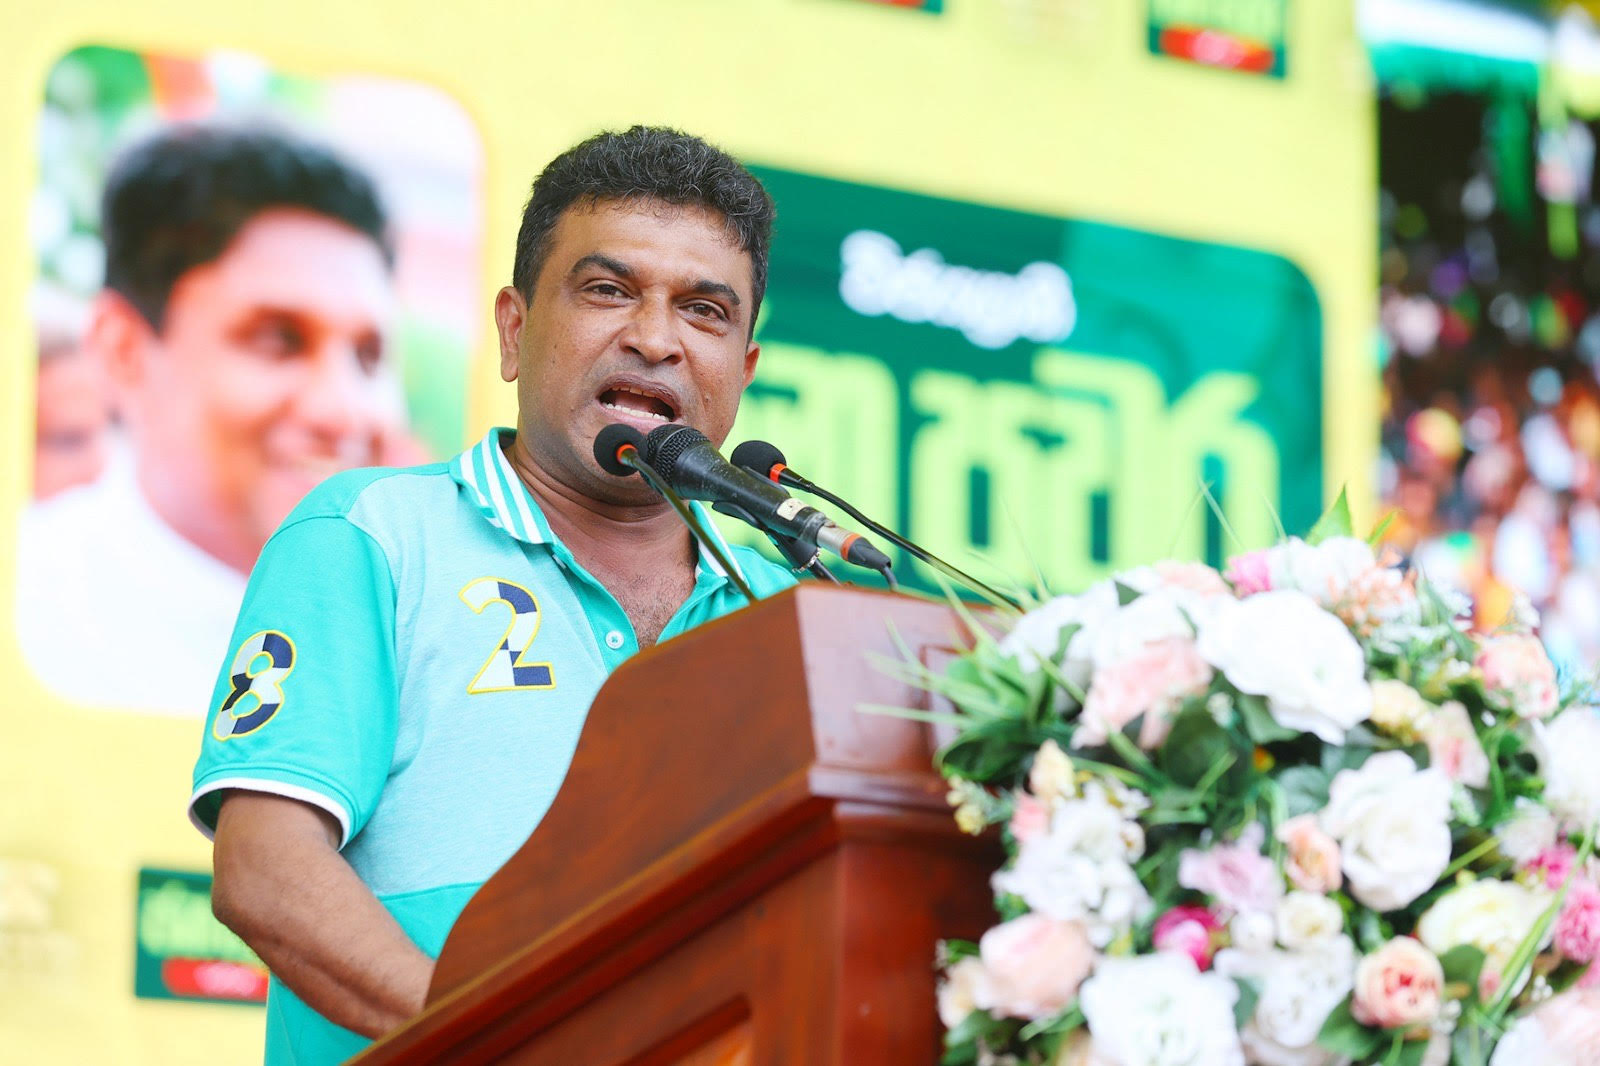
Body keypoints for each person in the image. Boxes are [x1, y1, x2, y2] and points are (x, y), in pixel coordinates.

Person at [187, 126, 797, 1065]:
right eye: (608, 290)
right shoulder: (372, 534)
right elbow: (265, 872)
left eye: (704, 311)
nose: (655, 338)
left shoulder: (786, 615)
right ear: (514, 331)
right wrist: (517, 1040)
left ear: (743, 369)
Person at [16, 123, 409, 714]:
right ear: (123, 351)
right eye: (278, 340)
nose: (344, 410)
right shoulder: (33, 624)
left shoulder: (435, 640)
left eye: (368, 356)